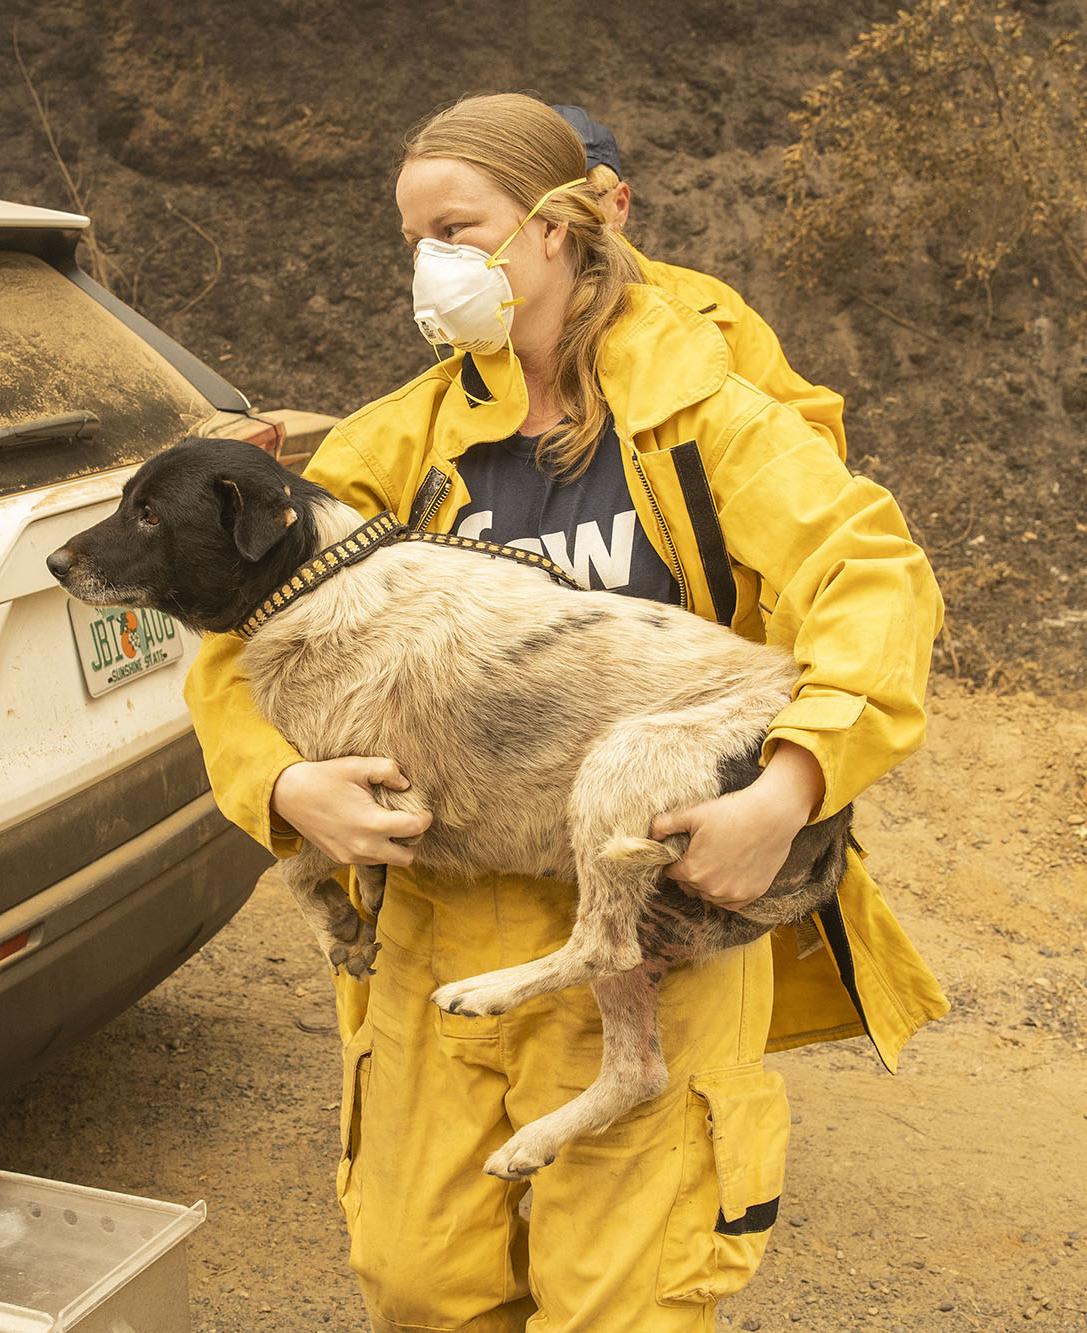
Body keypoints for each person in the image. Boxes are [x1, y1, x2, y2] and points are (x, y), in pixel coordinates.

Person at [182, 93, 947, 1332]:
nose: (431, 263)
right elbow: (238, 633)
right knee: (420, 1279)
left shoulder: (703, 418)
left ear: (557, 226)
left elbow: (869, 576)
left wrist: (789, 787)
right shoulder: (398, 443)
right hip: (440, 920)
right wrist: (279, 786)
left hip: (649, 895)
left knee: (620, 1299)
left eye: (457, 226)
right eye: (412, 237)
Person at [553, 103, 848, 460]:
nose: (565, 223)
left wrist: (718, 486)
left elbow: (812, 431)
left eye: (582, 200)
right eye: (547, 206)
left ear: (620, 206)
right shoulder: (482, 324)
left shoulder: (709, 308)